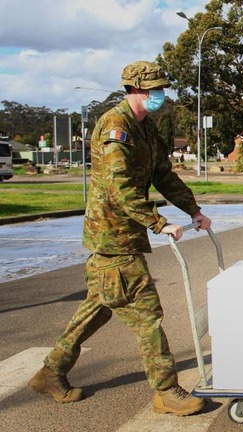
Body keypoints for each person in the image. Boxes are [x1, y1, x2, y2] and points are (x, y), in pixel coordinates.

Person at [28, 61, 212, 416]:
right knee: (147, 315)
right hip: (112, 237)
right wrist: (158, 223)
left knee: (97, 309)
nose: (161, 94)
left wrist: (193, 210)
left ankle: (51, 372)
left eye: (162, 88)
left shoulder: (146, 127)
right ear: (136, 90)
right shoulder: (116, 125)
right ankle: (165, 390)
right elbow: (119, 186)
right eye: (156, 89)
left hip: (121, 237)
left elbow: (163, 174)